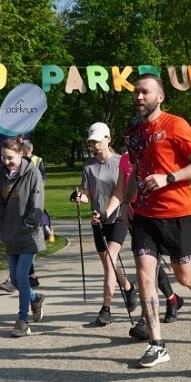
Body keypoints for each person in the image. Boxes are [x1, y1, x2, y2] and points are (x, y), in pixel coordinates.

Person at [102, 73, 191, 368]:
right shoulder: (134, 132)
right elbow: (137, 172)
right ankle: (157, 343)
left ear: (160, 97)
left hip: (176, 213)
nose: (139, 96)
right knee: (145, 274)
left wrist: (169, 177)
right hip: (143, 215)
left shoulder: (176, 125)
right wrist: (128, 202)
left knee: (184, 275)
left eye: (145, 92)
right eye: (136, 92)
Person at [115, 122, 186, 340]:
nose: (132, 142)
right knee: (147, 267)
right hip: (135, 214)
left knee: (165, 269)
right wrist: (123, 206)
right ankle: (165, 306)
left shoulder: (156, 151)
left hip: (157, 213)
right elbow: (122, 187)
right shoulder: (125, 160)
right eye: (130, 139)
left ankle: (162, 308)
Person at [70, 122, 138, 326]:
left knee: (110, 260)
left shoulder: (121, 162)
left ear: (108, 139)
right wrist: (78, 196)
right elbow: (86, 194)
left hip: (117, 217)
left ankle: (106, 308)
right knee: (109, 264)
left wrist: (108, 210)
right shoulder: (88, 166)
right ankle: (128, 287)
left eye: (98, 141)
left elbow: (122, 192)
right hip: (97, 219)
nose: (95, 145)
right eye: (92, 142)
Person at [0, 137, 46, 337]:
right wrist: (2, 224)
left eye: (10, 158)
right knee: (15, 280)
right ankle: (35, 300)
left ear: (21, 154)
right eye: (3, 158)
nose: (6, 162)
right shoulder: (2, 173)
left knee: (22, 277)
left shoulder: (32, 173)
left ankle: (22, 320)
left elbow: (37, 204)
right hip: (10, 234)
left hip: (29, 235)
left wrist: (28, 226)